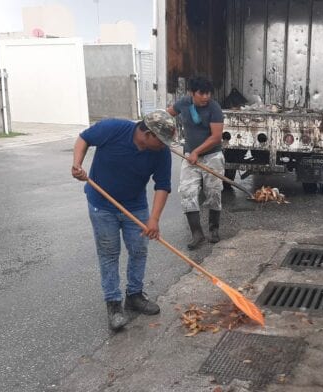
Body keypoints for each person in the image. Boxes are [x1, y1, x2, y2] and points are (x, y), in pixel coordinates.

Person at [71, 111, 174, 331]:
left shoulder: (160, 152)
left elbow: (163, 185)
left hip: (135, 206)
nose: (164, 145)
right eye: (161, 140)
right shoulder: (113, 129)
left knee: (139, 250)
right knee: (109, 254)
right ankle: (114, 304)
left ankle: (134, 296)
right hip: (102, 205)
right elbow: (84, 138)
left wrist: (154, 219)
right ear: (147, 133)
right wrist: (77, 164)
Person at [166, 76, 225, 250]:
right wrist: (170, 128)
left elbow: (216, 137)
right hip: (189, 156)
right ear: (192, 93)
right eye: (201, 93)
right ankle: (197, 234)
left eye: (208, 93)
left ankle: (214, 229)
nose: (206, 97)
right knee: (187, 192)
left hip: (212, 157)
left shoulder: (214, 108)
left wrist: (197, 152)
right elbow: (167, 114)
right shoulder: (183, 103)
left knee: (213, 193)